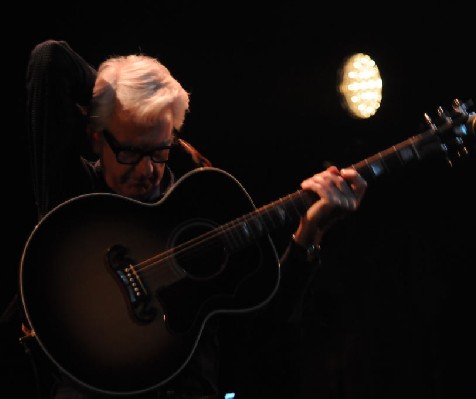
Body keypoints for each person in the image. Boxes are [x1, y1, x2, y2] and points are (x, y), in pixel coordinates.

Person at [19, 39, 367, 399]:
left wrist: (310, 232)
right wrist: (122, 99)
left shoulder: (202, 204)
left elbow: (265, 324)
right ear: (95, 138)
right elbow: (50, 60)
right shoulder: (72, 195)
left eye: (160, 150)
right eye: (130, 151)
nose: (147, 170)